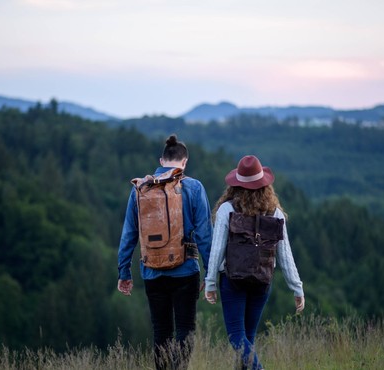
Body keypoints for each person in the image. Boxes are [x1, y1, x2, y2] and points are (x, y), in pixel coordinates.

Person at [117, 134, 213, 370]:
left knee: (161, 331)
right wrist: (211, 272)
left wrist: (124, 271)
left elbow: (129, 232)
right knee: (185, 330)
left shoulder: (140, 188)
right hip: (186, 270)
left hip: (152, 271)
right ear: (185, 162)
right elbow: (204, 234)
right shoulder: (193, 186)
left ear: (161, 160)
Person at [204, 155, 305, 370]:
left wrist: (211, 282)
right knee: (247, 336)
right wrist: (297, 287)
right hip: (262, 280)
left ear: (236, 185)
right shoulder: (275, 213)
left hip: (233, 281)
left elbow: (217, 250)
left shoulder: (227, 210)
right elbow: (285, 255)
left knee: (236, 336)